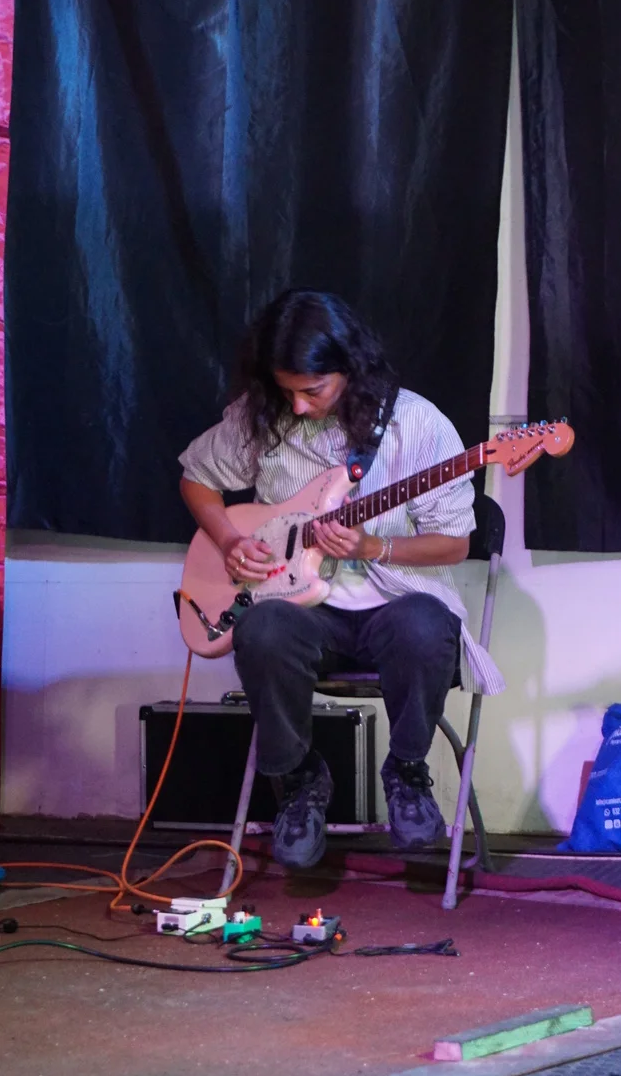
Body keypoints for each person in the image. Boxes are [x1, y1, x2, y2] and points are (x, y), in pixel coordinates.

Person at [179, 289, 504, 869]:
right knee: (261, 629)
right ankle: (300, 780)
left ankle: (407, 771)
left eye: (313, 390)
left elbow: (455, 544)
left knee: (427, 625)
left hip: (395, 606)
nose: (298, 406)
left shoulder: (418, 425)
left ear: (350, 368)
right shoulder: (264, 417)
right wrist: (230, 541)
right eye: (287, 391)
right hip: (306, 611)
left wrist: (375, 546)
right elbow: (195, 477)